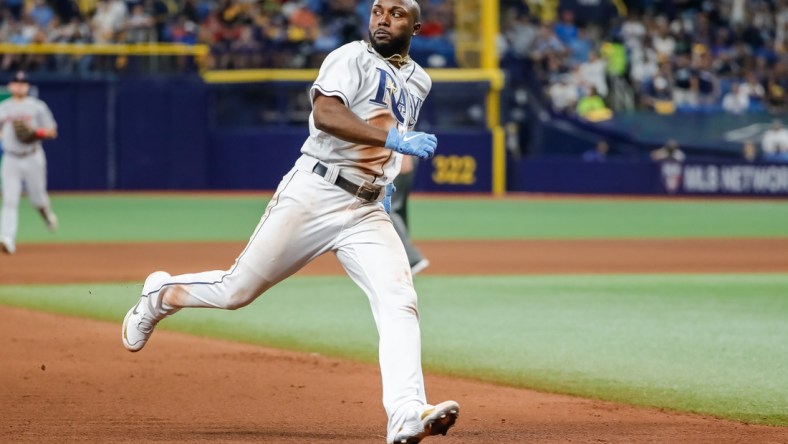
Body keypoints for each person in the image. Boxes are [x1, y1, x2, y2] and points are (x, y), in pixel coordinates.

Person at [120, 2, 460, 444]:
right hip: (315, 192)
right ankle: (160, 295)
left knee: (400, 301)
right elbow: (327, 115)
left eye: (395, 13)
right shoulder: (349, 57)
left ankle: (406, 413)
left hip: (367, 209)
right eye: (377, 10)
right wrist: (392, 139)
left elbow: (388, 129)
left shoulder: (420, 79)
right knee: (236, 290)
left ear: (415, 26)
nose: (382, 18)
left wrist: (388, 172)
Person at [0, 71, 59, 254]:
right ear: (10, 86)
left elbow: (52, 131)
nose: (19, 86)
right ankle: (7, 238)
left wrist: (36, 132)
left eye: (23, 83)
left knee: (38, 199)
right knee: (10, 200)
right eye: (16, 83)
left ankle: (47, 216)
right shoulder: (3, 107)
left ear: (28, 86)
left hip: (33, 156)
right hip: (11, 158)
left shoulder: (37, 107)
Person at [390, 155, 430, 274]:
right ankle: (401, 258)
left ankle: (411, 258)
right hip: (394, 158)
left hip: (398, 158)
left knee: (386, 209)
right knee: (398, 209)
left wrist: (404, 157)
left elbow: (403, 135)